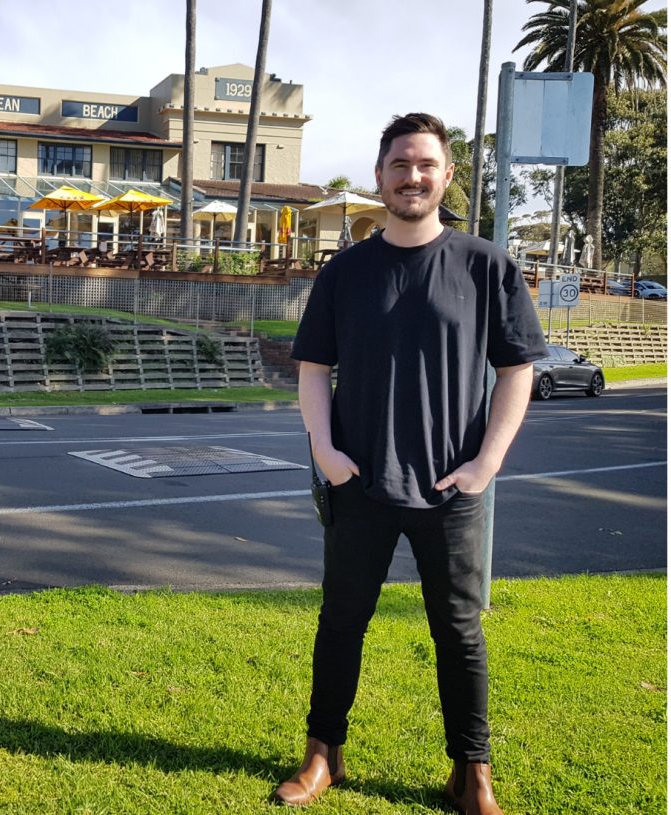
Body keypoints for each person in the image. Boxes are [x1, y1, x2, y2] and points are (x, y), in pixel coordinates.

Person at [274, 113, 547, 814]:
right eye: (400, 164)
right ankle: (322, 752)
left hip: (453, 486)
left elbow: (518, 369)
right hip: (359, 480)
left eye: (426, 164)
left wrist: (486, 463)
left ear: (447, 175)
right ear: (380, 175)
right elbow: (313, 367)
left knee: (458, 631)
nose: (413, 175)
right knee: (341, 622)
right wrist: (325, 450)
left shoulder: (486, 265)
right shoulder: (346, 271)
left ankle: (471, 771)